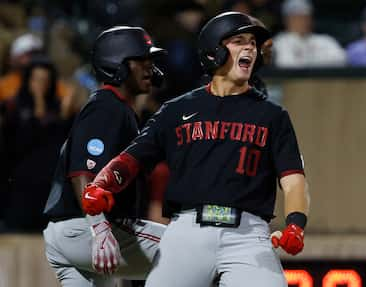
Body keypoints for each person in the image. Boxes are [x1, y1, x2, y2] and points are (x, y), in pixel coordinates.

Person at [81, 12, 310, 287]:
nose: (250, 47)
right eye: (239, 41)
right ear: (214, 51)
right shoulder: (177, 109)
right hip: (187, 231)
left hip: (248, 236)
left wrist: (296, 224)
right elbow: (133, 158)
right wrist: (102, 184)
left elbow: (294, 181)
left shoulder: (273, 116)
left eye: (253, 42)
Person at [42, 26, 167, 286]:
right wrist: (98, 227)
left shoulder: (112, 106)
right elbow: (82, 171)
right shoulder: (107, 106)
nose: (149, 67)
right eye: (141, 60)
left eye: (150, 60)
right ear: (117, 64)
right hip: (86, 226)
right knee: (195, 251)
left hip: (70, 231)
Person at [1, 56, 70, 232]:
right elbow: (16, 144)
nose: (41, 84)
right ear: (28, 80)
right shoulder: (13, 107)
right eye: (37, 79)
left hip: (48, 186)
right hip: (21, 186)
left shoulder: (58, 108)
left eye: (46, 80)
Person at [272, 0, 345, 68]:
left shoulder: (326, 40)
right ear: (286, 20)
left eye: (305, 17)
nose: (301, 21)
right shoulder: (279, 42)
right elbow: (286, 64)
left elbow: (341, 59)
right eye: (296, 17)